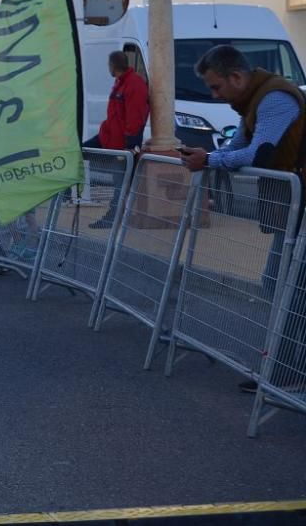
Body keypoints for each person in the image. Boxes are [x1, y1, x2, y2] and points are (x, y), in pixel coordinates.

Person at [180, 45, 306, 393]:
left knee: (289, 289)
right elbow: (236, 147)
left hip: (300, 206)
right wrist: (208, 156)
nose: (213, 95)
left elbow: (258, 155)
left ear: (236, 76)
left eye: (216, 87)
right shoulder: (253, 101)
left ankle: (288, 372)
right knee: (280, 285)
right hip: (295, 208)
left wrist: (208, 162)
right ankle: (283, 369)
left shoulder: (274, 99)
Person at [83, 50, 150, 229]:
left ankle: (112, 218)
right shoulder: (122, 83)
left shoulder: (132, 84)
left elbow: (134, 118)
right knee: (81, 152)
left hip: (120, 144)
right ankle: (111, 216)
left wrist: (130, 147)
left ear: (112, 65)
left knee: (120, 183)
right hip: (110, 137)